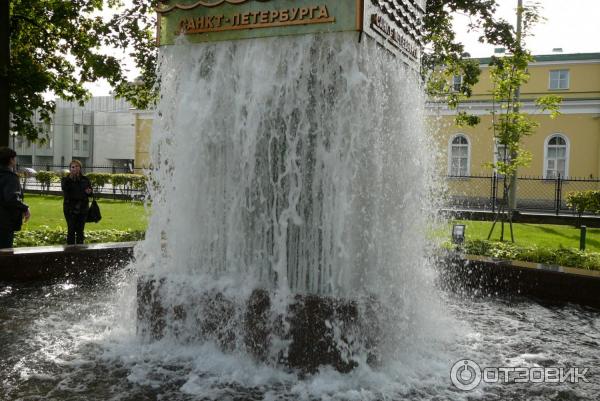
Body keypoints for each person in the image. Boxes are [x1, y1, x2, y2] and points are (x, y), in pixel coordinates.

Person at [0, 147, 31, 249]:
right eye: (14, 158)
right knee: (5, 252)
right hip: (5, 222)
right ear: (11, 160)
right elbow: (11, 198)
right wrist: (25, 208)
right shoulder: (10, 177)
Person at [61, 159, 92, 244]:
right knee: (71, 229)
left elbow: (90, 192)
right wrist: (71, 177)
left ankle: (80, 251)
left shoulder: (85, 179)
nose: (74, 168)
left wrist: (89, 192)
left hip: (83, 208)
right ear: (70, 168)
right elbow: (64, 189)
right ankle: (70, 251)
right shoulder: (65, 179)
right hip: (70, 208)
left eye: (77, 166)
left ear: (80, 168)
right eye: (73, 167)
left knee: (80, 230)